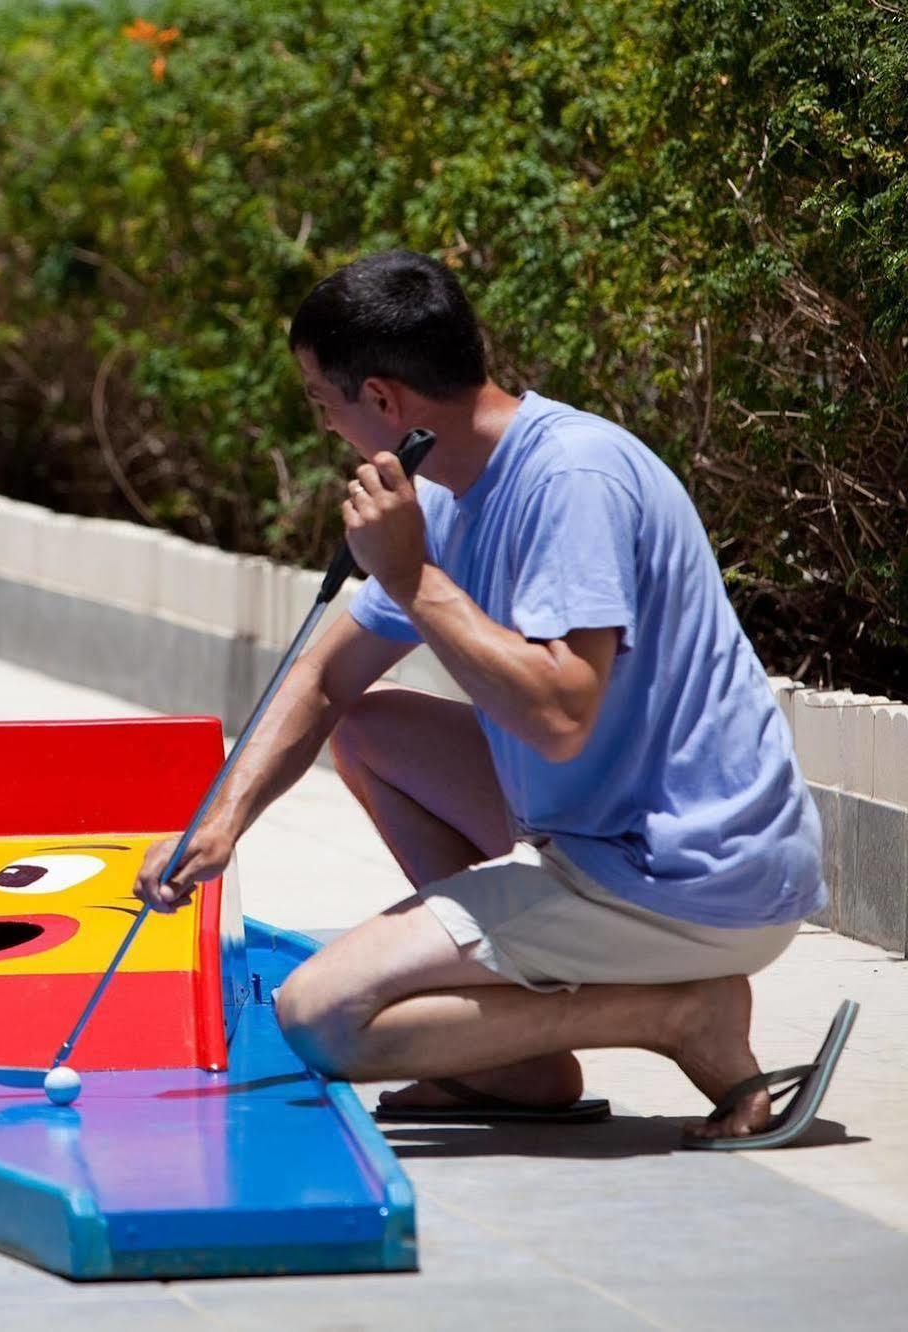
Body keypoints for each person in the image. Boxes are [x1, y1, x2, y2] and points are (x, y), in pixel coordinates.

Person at [135, 250, 849, 1147]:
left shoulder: (570, 479)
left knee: (322, 1015)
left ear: (384, 402)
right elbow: (323, 678)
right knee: (370, 728)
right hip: (599, 830)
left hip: (686, 873)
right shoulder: (445, 491)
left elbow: (559, 716)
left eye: (323, 401)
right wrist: (221, 819)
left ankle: (674, 1014)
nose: (324, 424)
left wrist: (416, 575)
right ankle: (516, 1066)